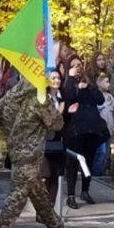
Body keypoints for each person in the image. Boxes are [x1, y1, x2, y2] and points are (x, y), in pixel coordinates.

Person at [0, 78, 80, 228]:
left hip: (16, 154)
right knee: (16, 199)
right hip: (30, 156)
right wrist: (59, 108)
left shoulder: (8, 98)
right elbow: (56, 124)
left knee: (39, 194)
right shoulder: (39, 99)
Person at [61, 55, 108, 208]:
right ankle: (71, 195)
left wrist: (87, 86)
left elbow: (100, 99)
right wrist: (71, 79)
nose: (78, 67)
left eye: (79, 64)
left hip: (91, 128)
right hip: (75, 129)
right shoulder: (66, 83)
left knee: (88, 161)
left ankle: (85, 190)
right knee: (73, 162)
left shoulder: (88, 83)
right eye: (74, 65)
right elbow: (67, 96)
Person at [42, 70, 66, 204]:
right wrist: (59, 113)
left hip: (59, 141)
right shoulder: (43, 98)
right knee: (46, 175)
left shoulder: (62, 99)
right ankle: (42, 211)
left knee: (56, 176)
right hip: (45, 140)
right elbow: (46, 120)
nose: (56, 80)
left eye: (58, 78)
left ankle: (50, 211)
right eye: (53, 78)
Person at [92, 73, 114, 177]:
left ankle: (101, 173)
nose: (109, 84)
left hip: (109, 130)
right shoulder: (94, 95)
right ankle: (96, 175)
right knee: (100, 153)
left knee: (106, 154)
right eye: (106, 82)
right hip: (98, 132)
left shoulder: (110, 97)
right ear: (99, 83)